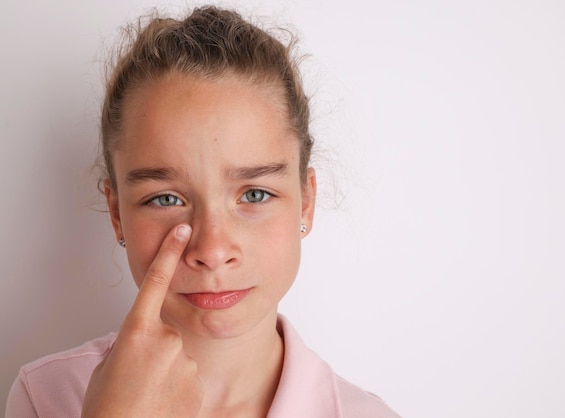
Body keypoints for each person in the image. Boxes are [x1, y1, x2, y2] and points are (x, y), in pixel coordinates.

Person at [5, 5, 400, 417]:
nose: (211, 249)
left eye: (254, 195)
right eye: (166, 199)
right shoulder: (44, 397)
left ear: (307, 200)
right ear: (117, 213)